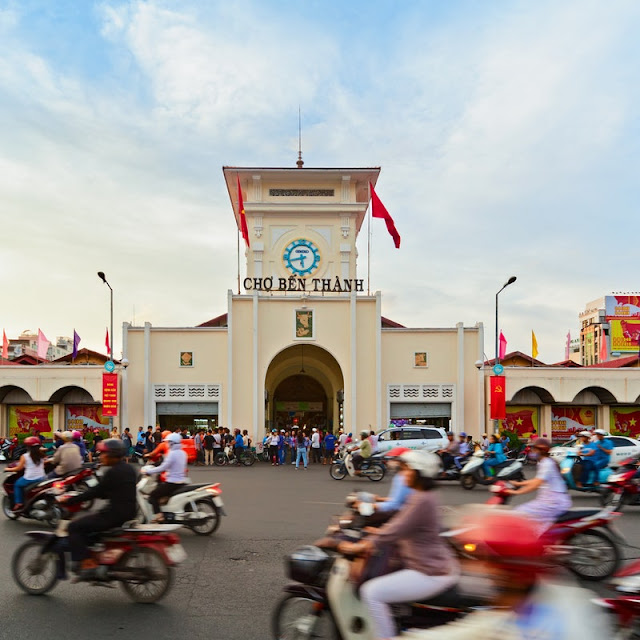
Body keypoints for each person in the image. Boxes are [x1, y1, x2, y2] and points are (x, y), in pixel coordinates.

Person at [404, 510, 612, 640]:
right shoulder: (554, 599)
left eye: (486, 562)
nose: (475, 568)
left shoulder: (523, 627)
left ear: (509, 575)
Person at [339, 450, 459, 640]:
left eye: (407, 470)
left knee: (372, 592)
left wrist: (361, 546)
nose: (403, 475)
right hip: (430, 564)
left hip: (429, 571)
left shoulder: (422, 500)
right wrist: (376, 533)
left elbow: (396, 528)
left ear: (419, 473)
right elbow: (401, 525)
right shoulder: (422, 495)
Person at [61, 439, 137, 580]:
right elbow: (113, 490)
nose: (101, 456)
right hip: (128, 513)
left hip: (114, 515)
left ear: (112, 454)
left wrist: (71, 500)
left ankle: (87, 564)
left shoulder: (112, 472)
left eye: (103, 453)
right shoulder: (129, 469)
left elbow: (95, 492)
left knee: (74, 527)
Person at [507, 438, 571, 531]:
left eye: (534, 449)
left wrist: (515, 492)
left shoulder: (547, 464)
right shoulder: (545, 462)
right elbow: (536, 480)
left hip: (552, 502)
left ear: (542, 451)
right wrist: (518, 483)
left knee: (519, 513)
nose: (532, 451)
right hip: (549, 500)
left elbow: (536, 484)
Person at [141, 433, 187, 521]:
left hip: (172, 482)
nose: (168, 444)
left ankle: (159, 516)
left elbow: (163, 467)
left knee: (153, 496)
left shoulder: (172, 454)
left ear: (172, 443)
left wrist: (148, 471)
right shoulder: (183, 453)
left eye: (169, 442)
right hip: (182, 481)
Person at [5, 436, 45, 511]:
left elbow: (18, 468)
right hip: (42, 478)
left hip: (30, 478)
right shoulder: (42, 455)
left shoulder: (25, 456)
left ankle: (19, 503)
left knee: (17, 484)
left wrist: (8, 469)